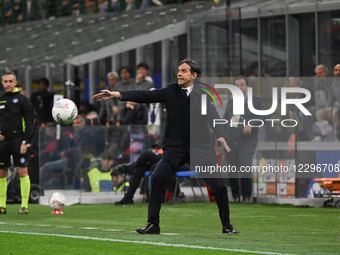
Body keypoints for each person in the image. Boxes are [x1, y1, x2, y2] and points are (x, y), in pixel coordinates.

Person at [93, 58, 238, 235]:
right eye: (178, 70)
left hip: (200, 147)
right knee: (157, 177)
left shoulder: (203, 96)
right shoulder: (170, 91)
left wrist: (221, 136)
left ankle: (227, 226)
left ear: (194, 75)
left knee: (219, 187)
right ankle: (153, 224)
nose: (179, 73)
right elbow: (145, 96)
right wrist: (116, 95)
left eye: (184, 71)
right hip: (175, 148)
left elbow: (214, 118)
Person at [223, 76, 265, 203]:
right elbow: (225, 121)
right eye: (237, 85)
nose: (239, 88)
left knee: (245, 166)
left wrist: (251, 124)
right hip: (231, 140)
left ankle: (247, 196)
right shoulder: (231, 104)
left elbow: (264, 117)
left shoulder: (256, 102)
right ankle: (236, 196)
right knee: (233, 168)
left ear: (247, 86)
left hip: (247, 141)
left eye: (242, 85)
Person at [0, 72, 35, 214]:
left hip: (19, 140)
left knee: (22, 171)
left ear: (15, 83)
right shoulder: (0, 100)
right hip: (3, 141)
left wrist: (26, 141)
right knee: (2, 172)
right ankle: (2, 205)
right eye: (5, 81)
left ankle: (24, 205)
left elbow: (30, 122)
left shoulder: (23, 100)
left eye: (10, 81)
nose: (7, 84)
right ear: (2, 83)